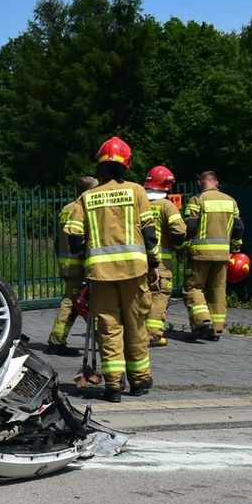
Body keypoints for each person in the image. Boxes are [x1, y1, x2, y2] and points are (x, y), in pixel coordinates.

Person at [64, 137, 159, 403]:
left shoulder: (87, 197)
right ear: (125, 165)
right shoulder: (137, 192)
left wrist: (86, 253)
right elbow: (150, 234)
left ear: (101, 166)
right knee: (136, 325)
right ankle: (139, 381)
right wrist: (153, 264)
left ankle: (113, 386)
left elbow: (74, 238)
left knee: (109, 328)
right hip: (135, 271)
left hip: (100, 276)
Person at [183, 170, 244, 341]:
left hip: (200, 255)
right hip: (223, 255)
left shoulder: (197, 200)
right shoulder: (231, 201)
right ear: (216, 182)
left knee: (193, 288)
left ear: (200, 183)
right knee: (217, 291)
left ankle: (203, 323)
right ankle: (216, 330)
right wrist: (236, 248)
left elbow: (191, 227)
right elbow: (239, 228)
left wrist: (184, 245)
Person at [46, 176, 98, 355]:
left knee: (79, 301)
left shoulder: (66, 209)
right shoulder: (84, 208)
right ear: (88, 192)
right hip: (79, 264)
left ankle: (99, 337)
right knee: (72, 301)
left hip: (67, 263)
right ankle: (56, 341)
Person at [143, 165, 188, 346]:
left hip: (136, 261)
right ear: (167, 184)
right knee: (159, 296)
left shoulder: (138, 203)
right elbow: (179, 234)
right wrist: (179, 247)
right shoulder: (166, 206)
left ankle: (136, 334)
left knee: (140, 297)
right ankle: (152, 335)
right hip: (160, 263)